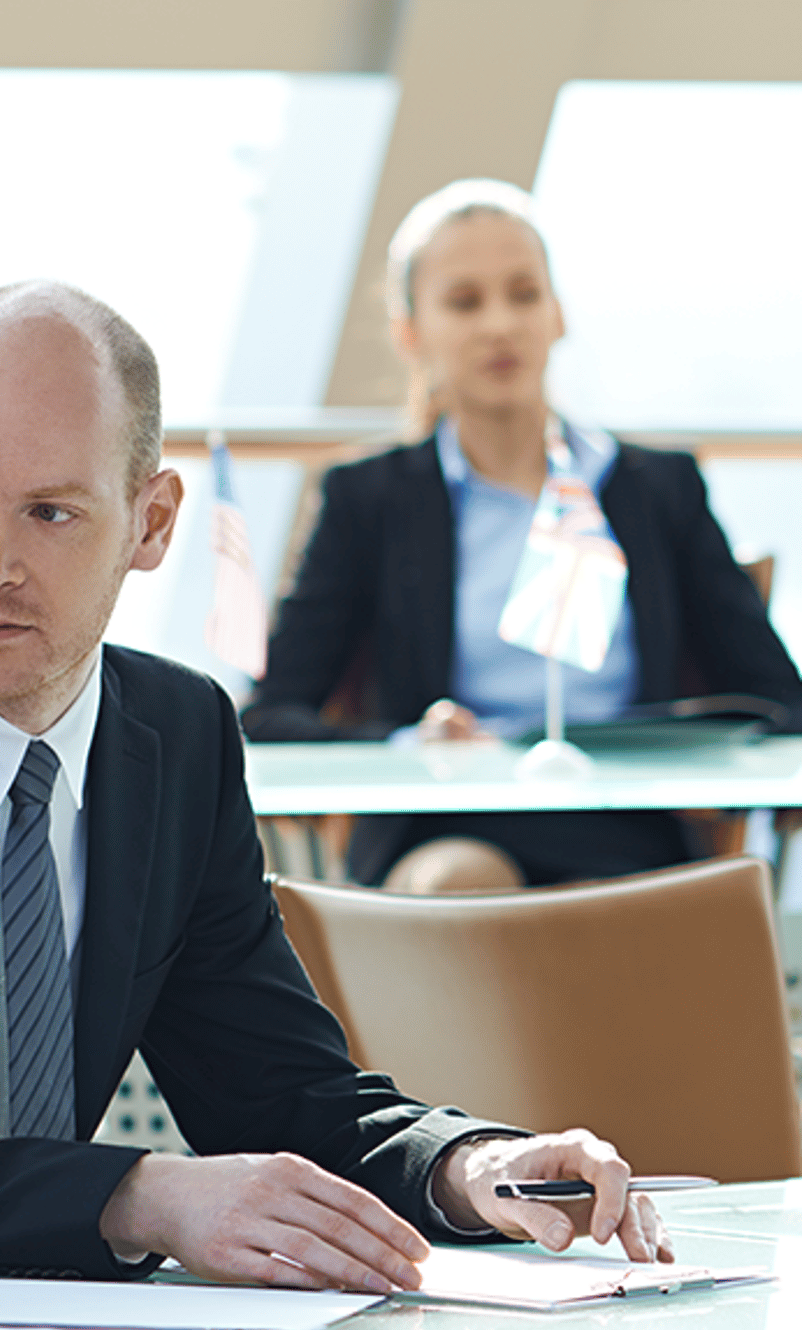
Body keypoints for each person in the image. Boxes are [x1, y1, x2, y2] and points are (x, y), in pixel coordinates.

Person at [0, 281, 669, 1291]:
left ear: (153, 522)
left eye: (49, 512)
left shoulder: (178, 733)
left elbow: (277, 1090)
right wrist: (131, 1197)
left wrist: (470, 1166)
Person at [243, 179, 802, 890]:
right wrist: (411, 742)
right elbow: (270, 714)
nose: (500, 325)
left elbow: (779, 700)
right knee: (458, 885)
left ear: (558, 315)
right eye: (464, 302)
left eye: (524, 294)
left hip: (627, 824)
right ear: (410, 333)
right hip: (447, 818)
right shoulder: (369, 498)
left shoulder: (656, 488)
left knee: (640, 905)